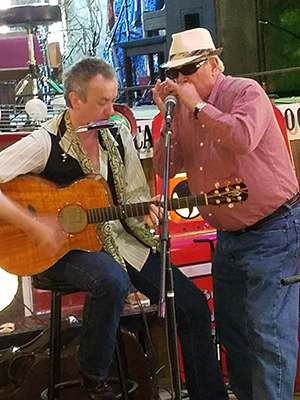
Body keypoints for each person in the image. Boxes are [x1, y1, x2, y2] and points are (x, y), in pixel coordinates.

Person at [0, 57, 228, 400]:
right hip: (58, 248)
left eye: (113, 99)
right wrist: (35, 224)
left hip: (120, 239)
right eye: (102, 102)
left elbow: (134, 199)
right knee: (111, 279)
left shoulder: (118, 132)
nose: (111, 110)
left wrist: (147, 213)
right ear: (75, 100)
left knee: (192, 306)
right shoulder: (45, 142)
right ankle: (94, 377)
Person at [152, 27, 300, 400]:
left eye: (189, 69)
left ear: (214, 65)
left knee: (268, 334)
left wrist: (197, 106)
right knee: (234, 334)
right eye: (175, 73)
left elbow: (242, 136)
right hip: (230, 238)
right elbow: (164, 166)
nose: (181, 79)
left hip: (274, 229)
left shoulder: (245, 91)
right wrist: (165, 119)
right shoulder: (185, 111)